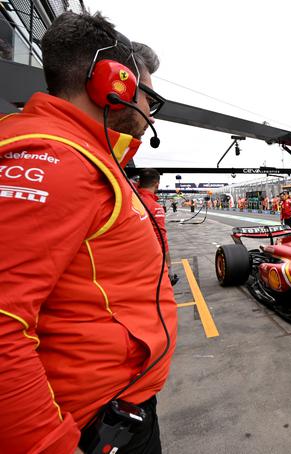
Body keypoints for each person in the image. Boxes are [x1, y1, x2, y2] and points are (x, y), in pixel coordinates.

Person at [0, 12, 176, 453]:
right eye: (148, 97)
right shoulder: (57, 162)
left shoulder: (85, 158)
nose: (149, 113)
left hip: (114, 408)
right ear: (113, 83)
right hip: (91, 425)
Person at [137, 168, 172, 272]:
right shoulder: (155, 207)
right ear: (157, 184)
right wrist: (168, 263)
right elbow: (160, 236)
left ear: (139, 183)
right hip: (149, 257)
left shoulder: (130, 199)